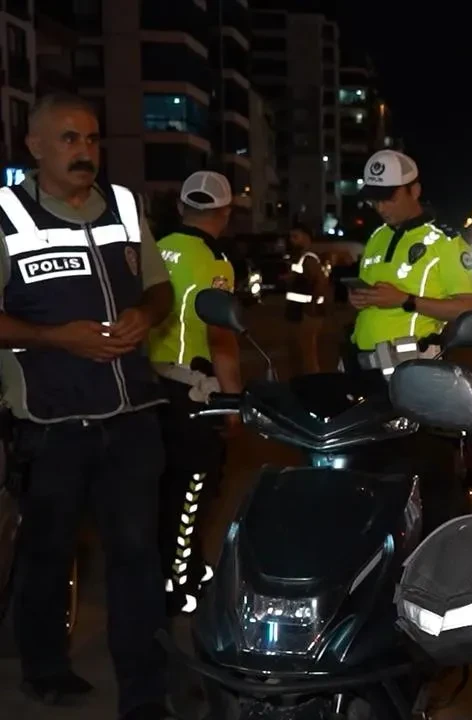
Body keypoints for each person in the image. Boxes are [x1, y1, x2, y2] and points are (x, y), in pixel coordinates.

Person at [4, 93, 174, 719]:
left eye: (93, 140)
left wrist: (144, 314)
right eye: (70, 140)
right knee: (48, 553)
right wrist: (55, 336)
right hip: (51, 425)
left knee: (136, 556)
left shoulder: (126, 206)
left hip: (132, 419)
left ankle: (145, 693)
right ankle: (46, 669)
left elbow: (159, 287)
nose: (85, 153)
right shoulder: (5, 215)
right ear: (36, 146)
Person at [148, 170, 242, 616]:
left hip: (144, 386)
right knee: (192, 490)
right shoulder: (214, 262)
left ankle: (173, 569)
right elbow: (221, 338)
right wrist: (234, 403)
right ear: (224, 213)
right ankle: (178, 584)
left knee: (155, 488)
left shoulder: (152, 247)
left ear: (183, 207)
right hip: (191, 391)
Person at [347, 149, 472, 355]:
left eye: (389, 198)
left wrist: (406, 301)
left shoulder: (447, 242)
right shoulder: (378, 236)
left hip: (411, 361)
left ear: (414, 191)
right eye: (375, 200)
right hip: (362, 358)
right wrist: (359, 298)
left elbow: (468, 308)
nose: (381, 208)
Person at [284, 224, 327, 375]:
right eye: (290, 237)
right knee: (297, 352)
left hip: (307, 313)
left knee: (307, 354)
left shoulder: (309, 258)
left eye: (296, 236)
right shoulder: (300, 258)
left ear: (306, 238)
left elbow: (320, 283)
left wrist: (313, 306)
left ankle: (312, 384)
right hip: (297, 312)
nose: (291, 240)